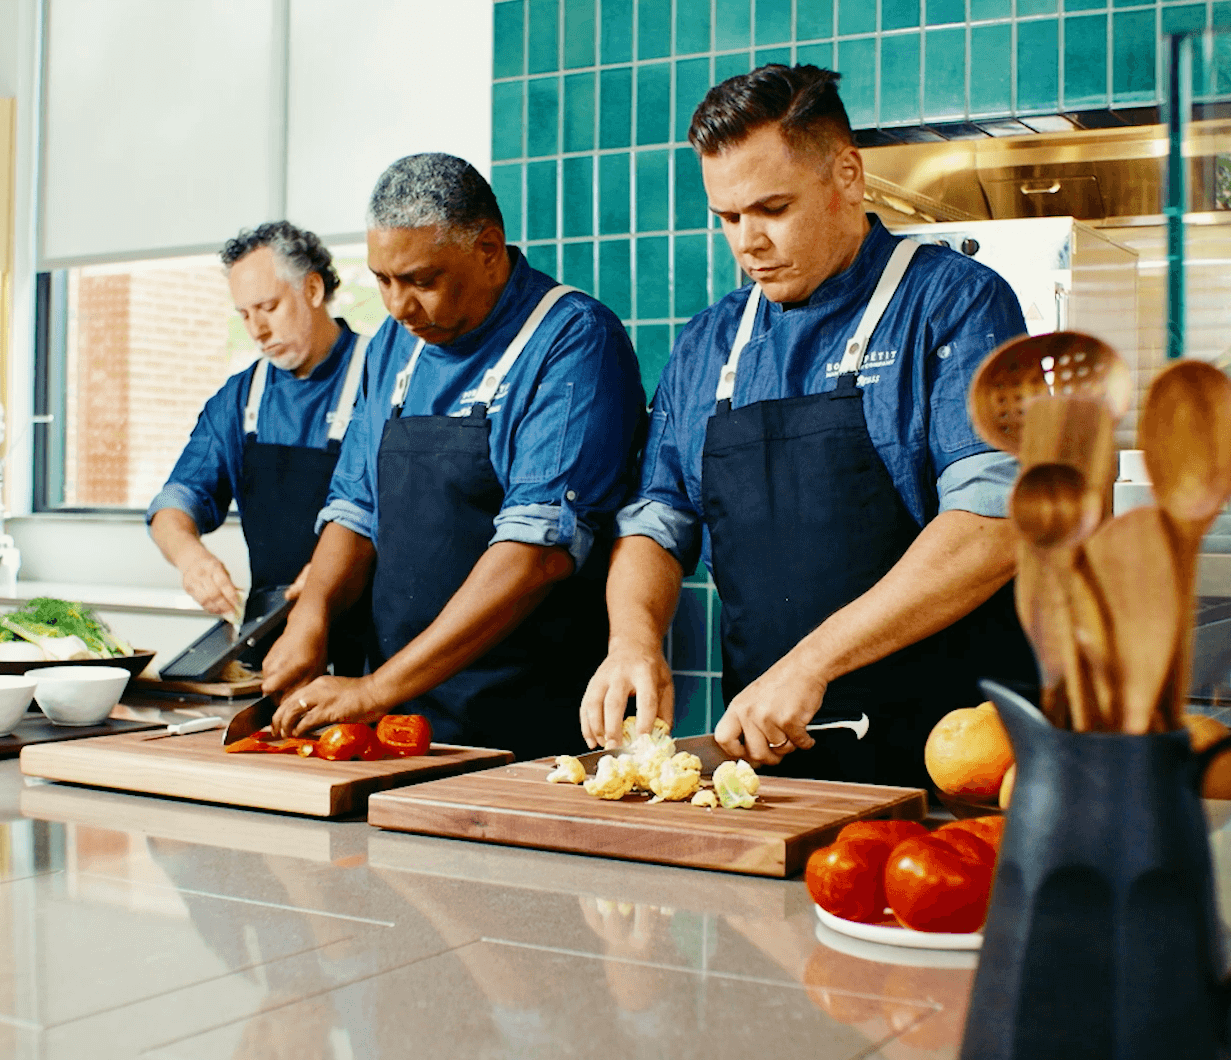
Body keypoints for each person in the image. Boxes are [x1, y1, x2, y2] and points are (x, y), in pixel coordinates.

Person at [579, 65, 1037, 786]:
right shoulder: (708, 344)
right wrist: (633, 639)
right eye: (728, 218)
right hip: (767, 767)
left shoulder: (956, 302)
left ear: (848, 176)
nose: (747, 243)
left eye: (772, 208)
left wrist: (811, 662)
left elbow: (992, 526)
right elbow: (656, 521)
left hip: (942, 762)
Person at [262, 152, 647, 759]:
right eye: (382, 280)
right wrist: (311, 616)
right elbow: (356, 506)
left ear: (489, 248)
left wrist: (374, 689)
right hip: (399, 721)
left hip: (525, 727)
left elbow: (535, 553)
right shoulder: (396, 342)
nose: (397, 306)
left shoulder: (573, 339)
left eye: (421, 281)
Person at [147, 221, 371, 674]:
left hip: (374, 646)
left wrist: (329, 580)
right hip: (272, 642)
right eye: (245, 314)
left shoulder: (383, 377)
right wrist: (193, 559)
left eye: (269, 307)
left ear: (311, 289)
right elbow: (176, 501)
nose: (258, 329)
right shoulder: (240, 398)